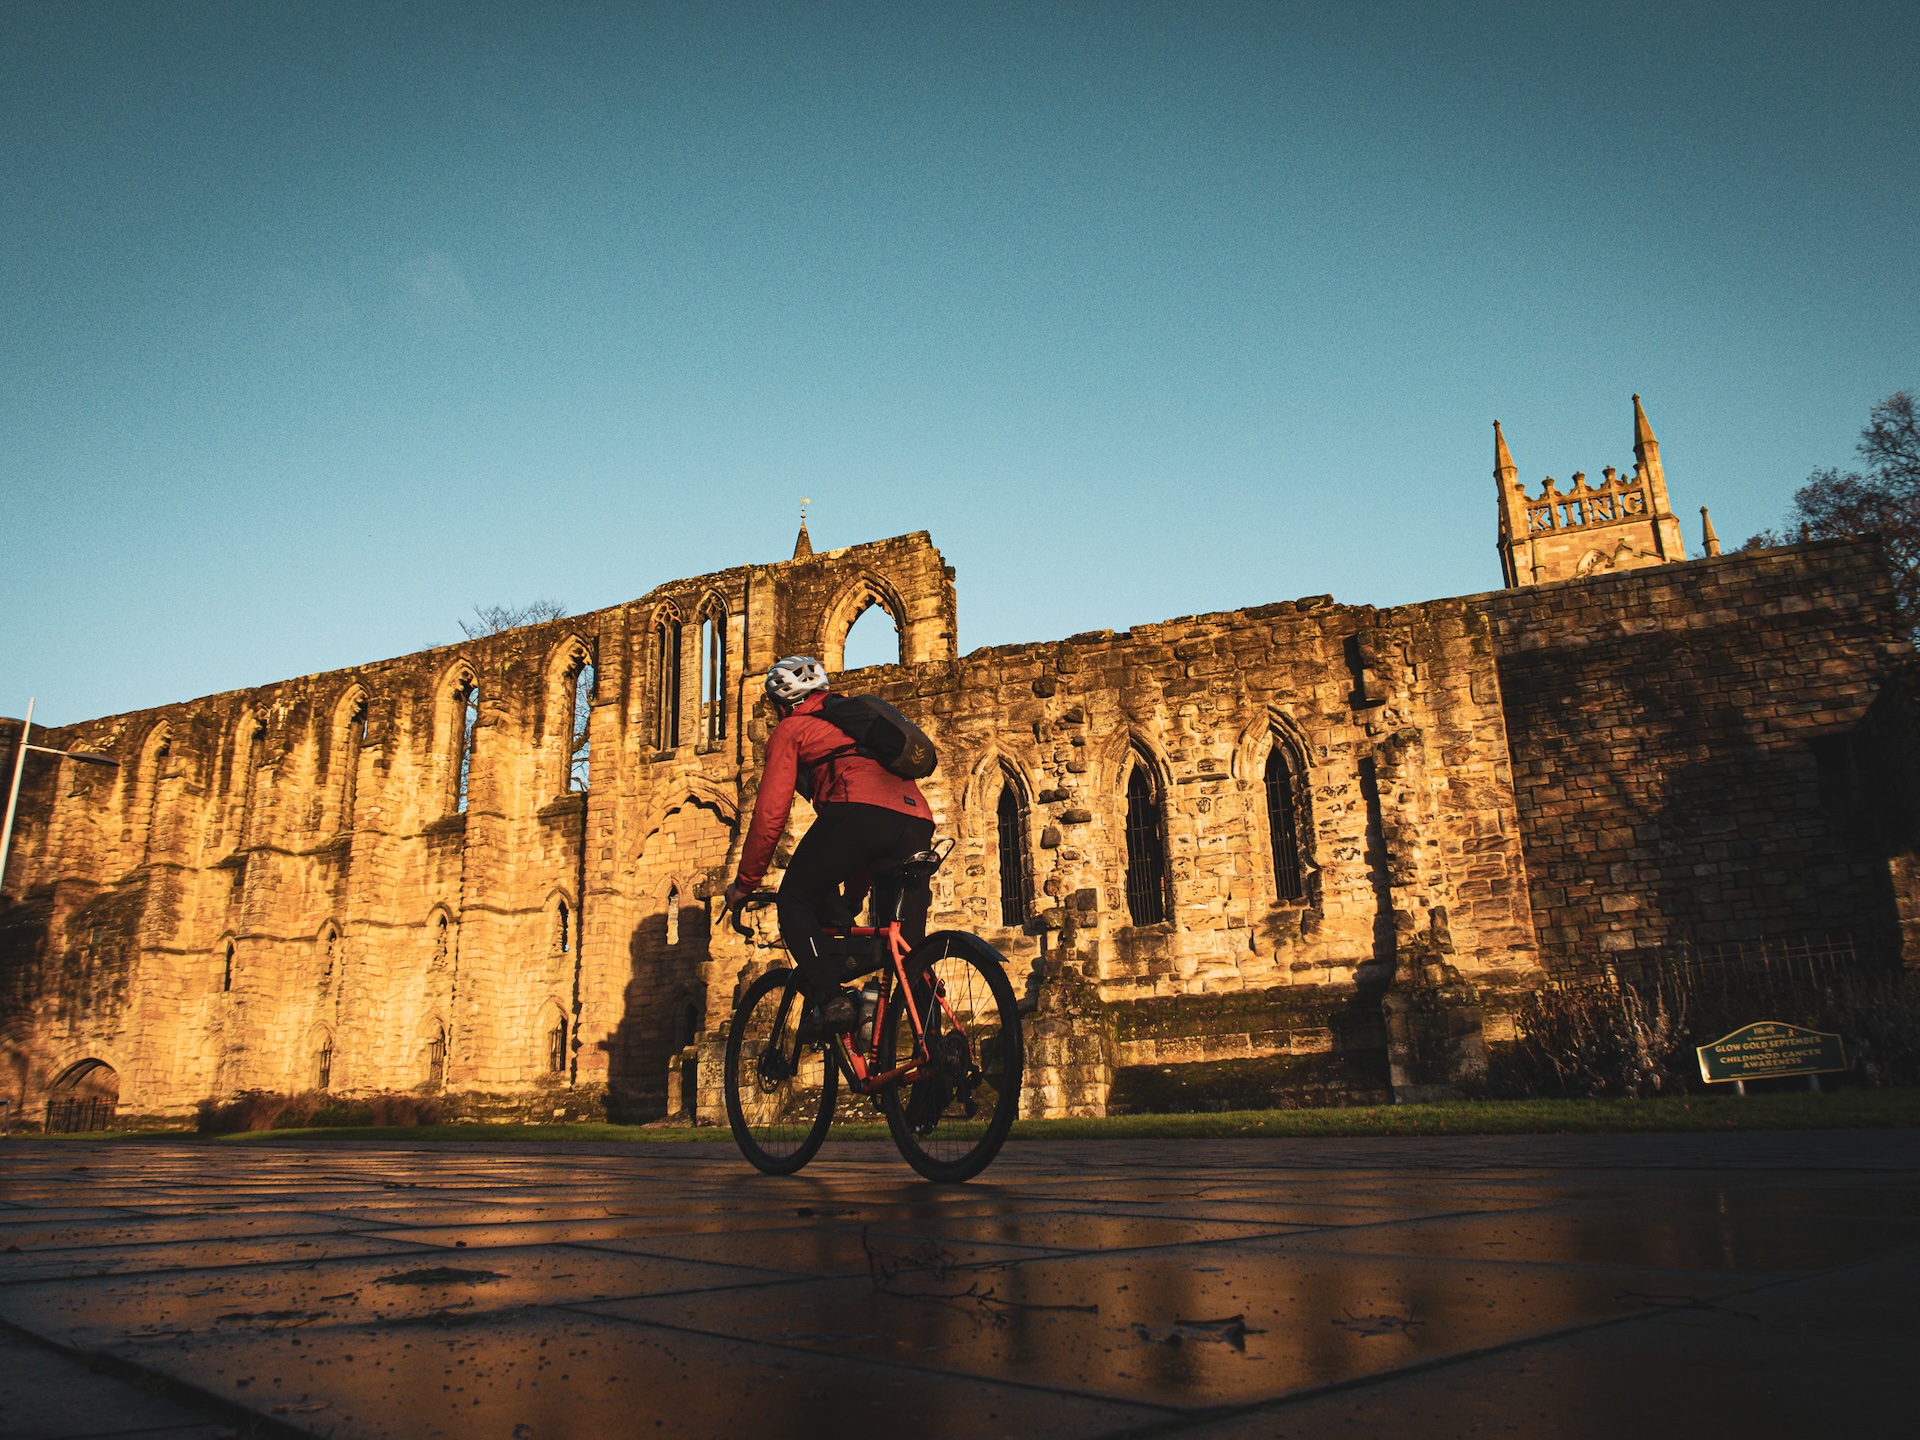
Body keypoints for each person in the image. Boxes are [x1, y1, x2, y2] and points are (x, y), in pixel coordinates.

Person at [723, 656, 934, 1035]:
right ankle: (933, 1051)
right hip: (918, 820)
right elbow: (866, 847)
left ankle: (831, 1000)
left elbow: (771, 814)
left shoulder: (792, 728)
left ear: (781, 704)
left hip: (860, 814)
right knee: (905, 951)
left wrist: (746, 883)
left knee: (794, 901)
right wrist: (853, 899)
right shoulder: (857, 722)